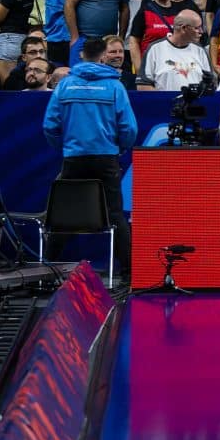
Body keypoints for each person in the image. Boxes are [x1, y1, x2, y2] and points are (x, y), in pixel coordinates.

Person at [41, 35, 141, 276]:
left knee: (63, 212)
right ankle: (128, 271)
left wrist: (64, 147)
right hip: (106, 158)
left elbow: (50, 125)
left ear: (82, 55)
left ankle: (47, 268)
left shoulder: (65, 85)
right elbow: (129, 128)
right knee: (114, 213)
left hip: (74, 158)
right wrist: (120, 148)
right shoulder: (115, 86)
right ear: (103, 56)